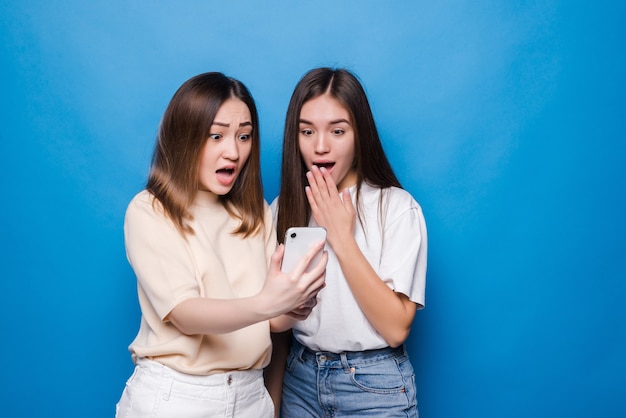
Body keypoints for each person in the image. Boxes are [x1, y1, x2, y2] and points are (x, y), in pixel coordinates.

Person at [115, 72, 327, 418]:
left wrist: (289, 307)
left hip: (249, 397)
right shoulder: (150, 210)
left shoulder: (254, 210)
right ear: (184, 137)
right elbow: (185, 314)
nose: (234, 151)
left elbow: (264, 320)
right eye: (217, 136)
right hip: (178, 398)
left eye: (244, 136)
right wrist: (267, 303)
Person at [269, 67, 428, 417]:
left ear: (360, 135)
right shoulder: (283, 208)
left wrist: (341, 237)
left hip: (373, 387)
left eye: (337, 131)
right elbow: (272, 322)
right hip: (301, 380)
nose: (321, 146)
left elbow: (396, 327)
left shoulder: (396, 208)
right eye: (307, 131)